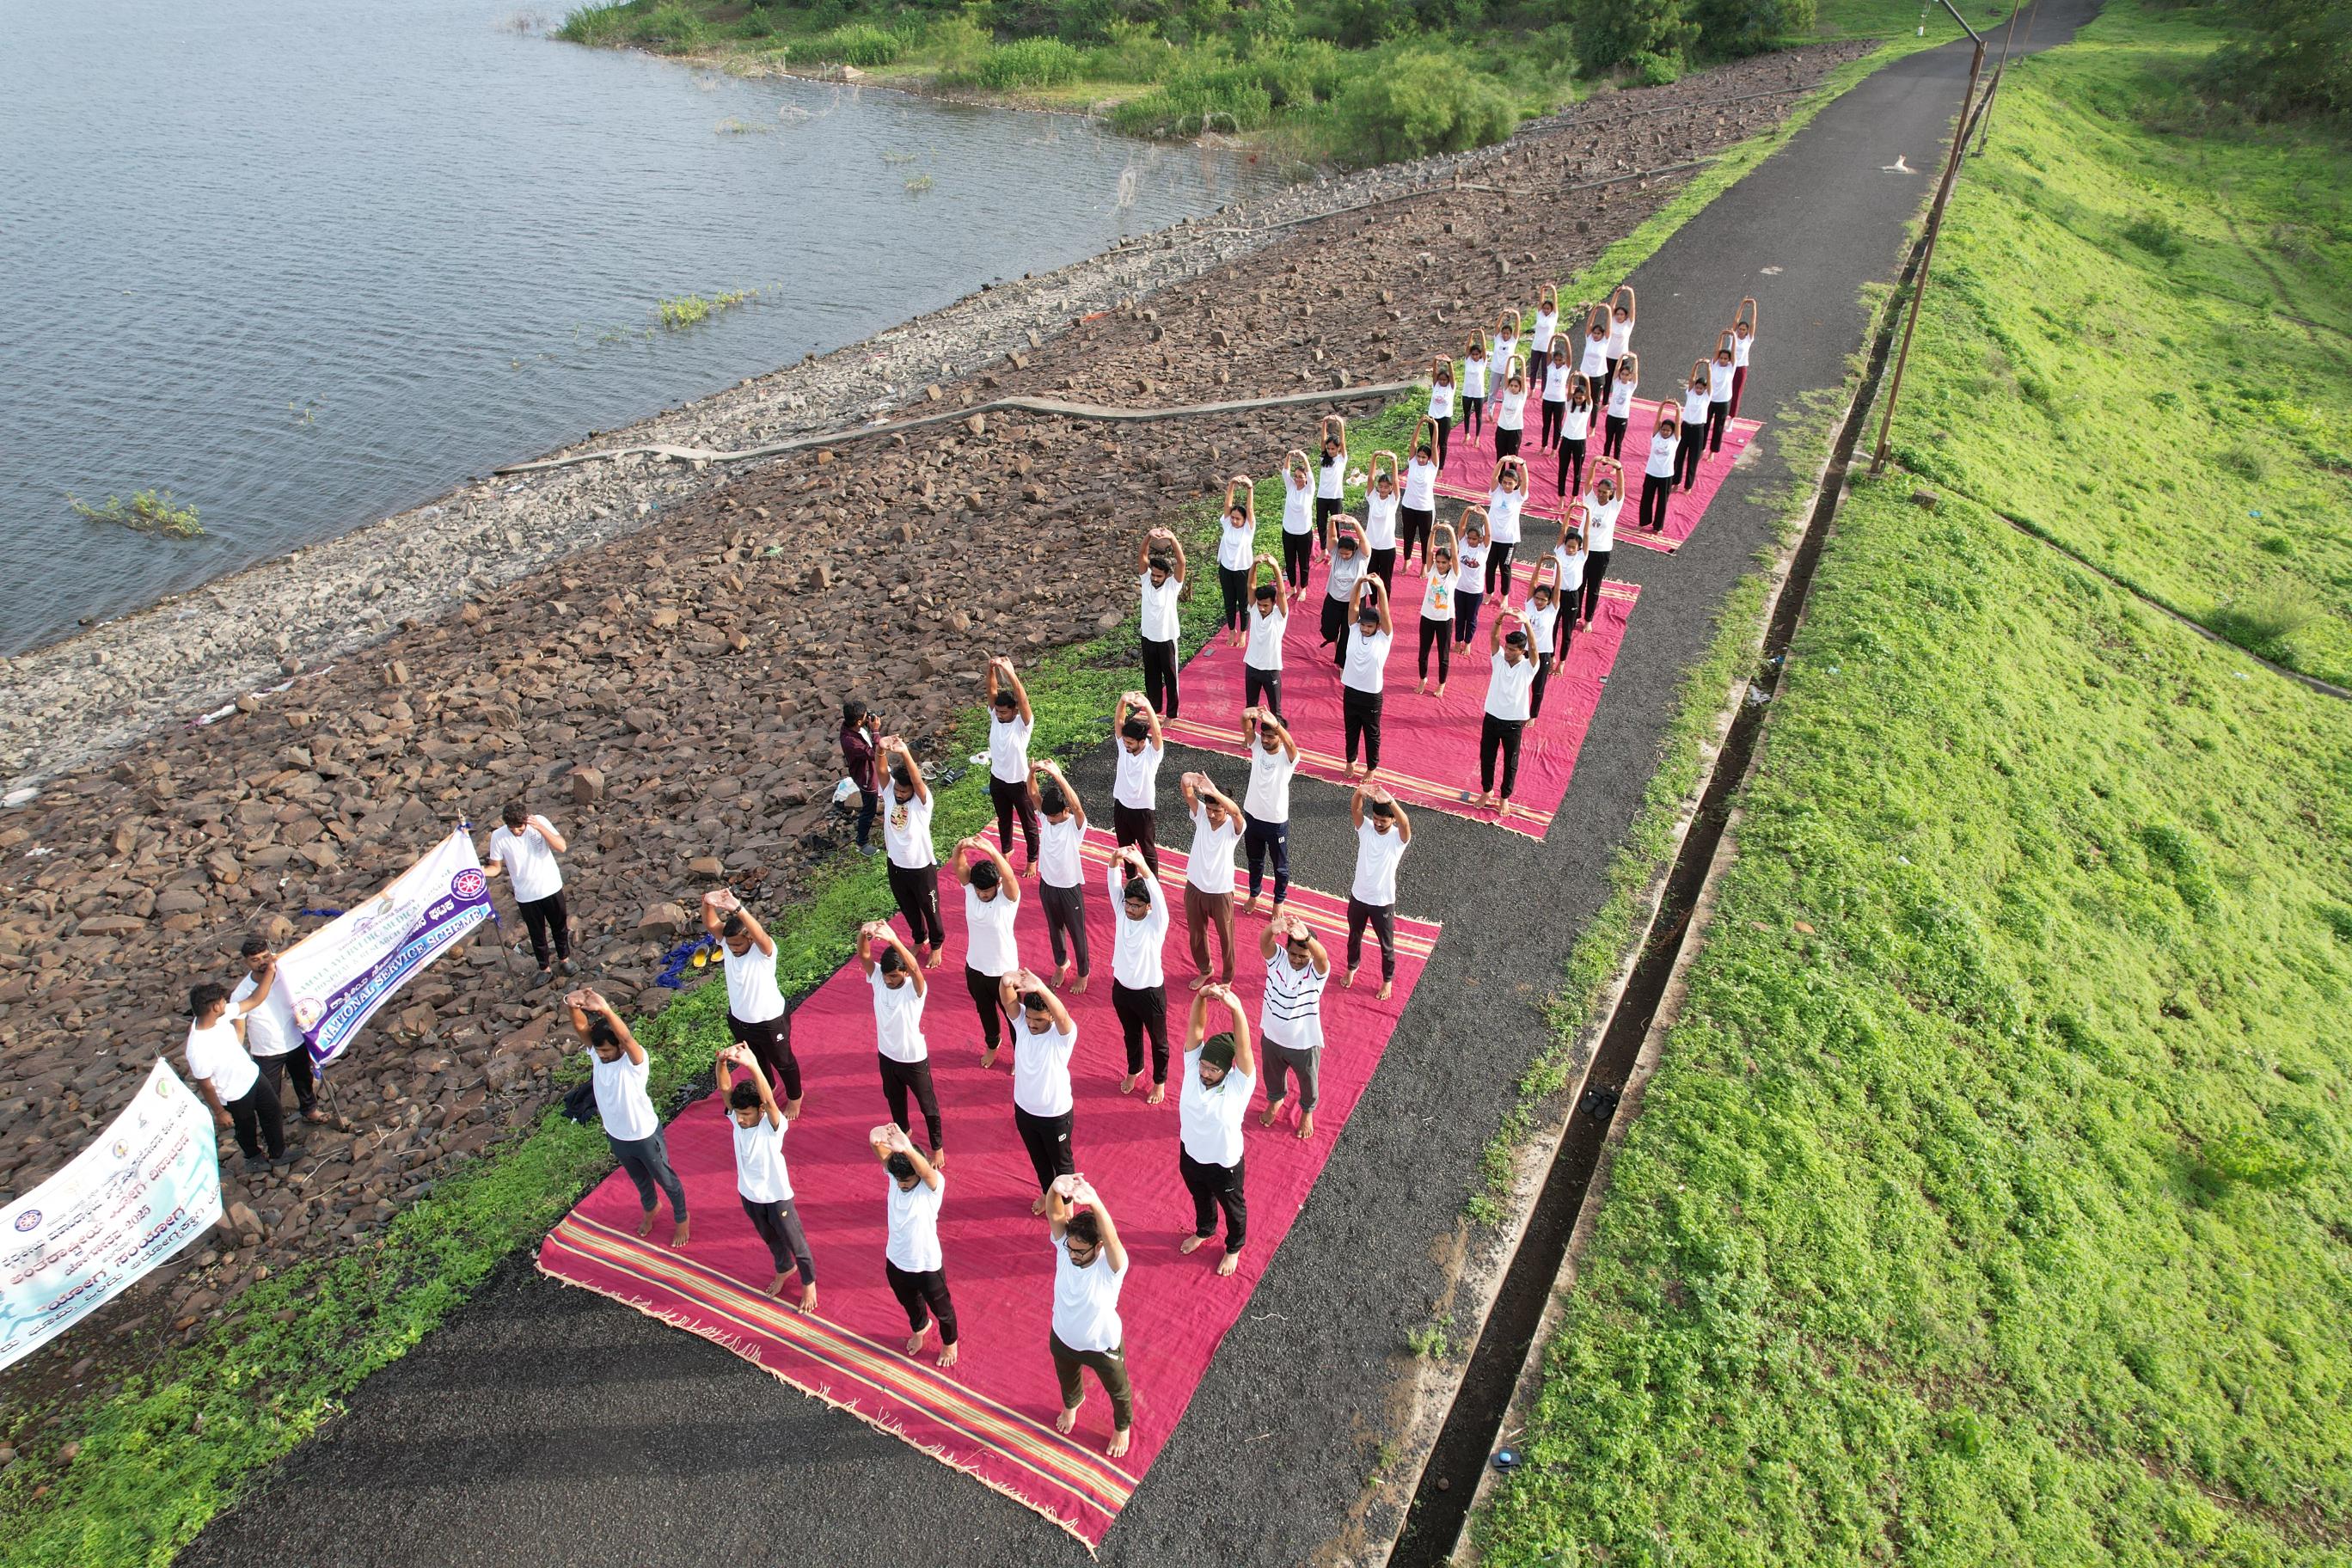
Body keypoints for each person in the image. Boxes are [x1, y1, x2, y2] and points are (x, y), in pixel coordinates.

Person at [568, 986, 688, 1245]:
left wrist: (606, 1010)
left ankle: (682, 1217)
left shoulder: (634, 1063)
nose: (601, 1055)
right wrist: (571, 1003)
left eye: (606, 1051)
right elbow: (581, 1028)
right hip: (617, 1136)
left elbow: (627, 1037)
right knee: (640, 1180)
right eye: (599, 1051)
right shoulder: (598, 1057)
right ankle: (651, 1208)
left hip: (644, 1135)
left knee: (666, 1180)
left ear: (620, 1048)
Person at [716, 1042, 816, 1309]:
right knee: (770, 1238)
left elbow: (769, 1100)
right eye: (738, 1114)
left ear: (760, 1110)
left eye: (746, 1114)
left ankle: (809, 1282)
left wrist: (752, 1065)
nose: (740, 1119)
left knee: (795, 1242)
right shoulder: (736, 1120)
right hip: (749, 1195)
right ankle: (784, 1268)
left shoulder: (772, 1126)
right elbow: (725, 1089)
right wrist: (722, 1062)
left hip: (777, 1197)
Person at [1045, 1175, 1132, 1458]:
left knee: (1118, 1391)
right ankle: (1072, 1405)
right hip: (1062, 1337)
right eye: (1070, 1247)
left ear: (1098, 1246)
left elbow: (1113, 1238)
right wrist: (1054, 1188)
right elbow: (1055, 1214)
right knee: (1067, 1379)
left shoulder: (1111, 1268)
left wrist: (1095, 1202)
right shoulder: (1065, 1250)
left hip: (1102, 1346)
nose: (1072, 1254)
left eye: (1079, 1251)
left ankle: (1122, 1426)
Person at [1177, 984, 1255, 1275]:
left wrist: (1236, 1009)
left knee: (1234, 1208)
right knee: (1200, 1198)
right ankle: (1205, 1229)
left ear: (1227, 1069)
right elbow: (1196, 1029)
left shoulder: (1239, 1085)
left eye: (1213, 1069)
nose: (1205, 1073)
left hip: (1224, 1164)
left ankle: (1234, 1247)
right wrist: (1201, 997)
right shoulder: (1192, 1068)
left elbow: (1244, 1049)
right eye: (1203, 1065)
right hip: (1190, 1154)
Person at [703, 889, 802, 1118]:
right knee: (756, 1061)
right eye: (730, 945)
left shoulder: (764, 952)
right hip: (740, 1021)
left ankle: (795, 1097)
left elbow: (760, 934)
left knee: (783, 1062)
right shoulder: (729, 945)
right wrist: (707, 903)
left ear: (749, 938)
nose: (733, 949)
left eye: (738, 945)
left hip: (770, 1021)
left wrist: (738, 909)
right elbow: (711, 924)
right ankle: (768, 1088)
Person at [993, 967, 1081, 1209]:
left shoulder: (1062, 1037)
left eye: (1039, 1020)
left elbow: (1063, 1017)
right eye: (1030, 1017)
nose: (1031, 1023)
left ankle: (1067, 1203)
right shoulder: (1022, 1023)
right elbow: (1008, 1001)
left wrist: (1041, 987)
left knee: (1062, 1164)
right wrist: (1006, 980)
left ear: (1050, 1017)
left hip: (1055, 1116)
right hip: (1024, 1111)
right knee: (1039, 1160)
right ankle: (1047, 1193)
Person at [868, 1124, 957, 1367]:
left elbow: (926, 1171)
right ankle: (920, 1327)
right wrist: (874, 1140)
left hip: (927, 1265)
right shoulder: (896, 1178)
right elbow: (883, 1157)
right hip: (896, 1261)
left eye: (907, 1181)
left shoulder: (931, 1189)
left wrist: (907, 1149)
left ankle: (950, 1342)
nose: (901, 1185)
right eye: (899, 1180)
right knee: (909, 1303)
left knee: (943, 1310)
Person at [855, 921, 943, 1161]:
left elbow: (915, 968)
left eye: (893, 976)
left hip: (913, 1059)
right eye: (886, 976)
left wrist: (893, 939)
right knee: (895, 1101)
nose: (888, 981)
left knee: (928, 1106)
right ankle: (904, 1135)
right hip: (887, 1057)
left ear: (904, 973)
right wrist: (864, 933)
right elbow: (863, 955)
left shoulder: (915, 990)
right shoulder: (878, 980)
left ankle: (937, 1148)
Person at [184, 980, 289, 1173]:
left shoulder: (221, 1016)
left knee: (272, 1110)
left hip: (253, 1076)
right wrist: (220, 1112)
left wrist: (270, 972)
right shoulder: (197, 1047)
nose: (226, 1002)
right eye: (223, 1001)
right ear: (215, 1007)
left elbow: (254, 1000)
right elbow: (205, 1084)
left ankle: (278, 1153)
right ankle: (253, 1156)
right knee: (245, 1126)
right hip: (232, 1094)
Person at [232, 935, 322, 1126]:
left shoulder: (285, 976)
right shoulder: (241, 993)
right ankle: (273, 1128)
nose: (262, 962)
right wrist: (236, 1057)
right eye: (255, 960)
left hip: (295, 1039)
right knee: (270, 1093)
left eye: (265, 957)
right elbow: (239, 1030)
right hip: (266, 1051)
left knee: (303, 1079)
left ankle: (310, 1110)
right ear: (246, 962)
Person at [1256, 911, 1330, 1141]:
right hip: (1272, 1037)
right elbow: (1264, 943)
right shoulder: (1277, 959)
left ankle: (1307, 1112)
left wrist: (1307, 938)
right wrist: (1273, 929)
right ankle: (1276, 1100)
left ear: (1311, 954)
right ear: (1286, 949)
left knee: (1308, 1082)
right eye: (1293, 953)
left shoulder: (1316, 973)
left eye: (1303, 956)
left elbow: (1323, 958)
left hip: (1303, 1044)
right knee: (1272, 1075)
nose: (1297, 959)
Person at [1106, 844, 1172, 1102]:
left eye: (1136, 905)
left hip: (1150, 993)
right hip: (1122, 990)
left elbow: (1157, 893)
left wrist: (1143, 867)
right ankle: (1134, 1070)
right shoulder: (1121, 913)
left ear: (1148, 907)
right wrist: (1114, 859)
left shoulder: (1157, 923)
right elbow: (1113, 885)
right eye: (1128, 903)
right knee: (1131, 1035)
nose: (1130, 909)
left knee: (1158, 1041)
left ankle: (1159, 1081)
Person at [878, 734, 946, 966]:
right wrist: (880, 749)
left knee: (930, 908)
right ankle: (919, 938)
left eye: (904, 792)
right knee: (907, 907)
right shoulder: (890, 793)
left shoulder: (922, 802)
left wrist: (905, 752)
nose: (899, 794)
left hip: (921, 867)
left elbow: (917, 782)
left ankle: (936, 943)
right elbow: (881, 771)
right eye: (898, 790)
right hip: (896, 865)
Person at [483, 803, 570, 984]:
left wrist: (540, 828)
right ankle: (544, 968)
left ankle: (564, 959)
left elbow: (561, 847)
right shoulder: (498, 836)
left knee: (559, 926)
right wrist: (478, 872)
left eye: (520, 827)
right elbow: (495, 868)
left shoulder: (540, 822)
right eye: (512, 828)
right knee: (537, 934)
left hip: (551, 887)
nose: (516, 831)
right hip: (526, 894)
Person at [952, 835, 1022, 1061]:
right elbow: (960, 865)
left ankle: (1020, 1054)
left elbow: (1009, 876)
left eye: (987, 891)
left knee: (1013, 1016)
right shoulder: (971, 891)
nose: (982, 894)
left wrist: (991, 850)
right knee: (985, 1011)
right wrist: (960, 847)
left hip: (1004, 972)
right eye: (979, 890)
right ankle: (993, 1044)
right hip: (975, 967)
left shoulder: (1007, 899)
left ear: (997, 885)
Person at [1029, 759, 1092, 995]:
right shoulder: (1047, 818)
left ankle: (1083, 971)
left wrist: (1058, 776)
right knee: (1054, 929)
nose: (1050, 820)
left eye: (1055, 816)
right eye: (1048, 816)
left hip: (1069, 888)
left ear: (1065, 811)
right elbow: (1033, 794)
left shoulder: (1075, 825)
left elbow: (1077, 807)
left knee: (1077, 932)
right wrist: (1031, 772)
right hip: (1047, 885)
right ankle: (1061, 963)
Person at [974, 656, 1041, 873]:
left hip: (1019, 782)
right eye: (998, 711)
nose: (1000, 715)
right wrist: (991, 669)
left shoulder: (1023, 725)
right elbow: (991, 691)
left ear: (1014, 711)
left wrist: (1010, 673)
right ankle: (1006, 851)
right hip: (997, 779)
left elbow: (1023, 699)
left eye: (1004, 712)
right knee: (1003, 820)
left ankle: (1032, 859)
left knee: (1028, 823)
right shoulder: (995, 717)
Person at [1178, 770, 1242, 989]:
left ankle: (1227, 978)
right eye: (1210, 809)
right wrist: (1187, 779)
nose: (1212, 814)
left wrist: (1215, 792)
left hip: (1221, 891)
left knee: (1226, 938)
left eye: (1217, 810)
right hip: (1195, 886)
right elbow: (1187, 792)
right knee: (1196, 935)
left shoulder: (1233, 827)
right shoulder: (1202, 816)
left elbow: (1236, 812)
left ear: (1225, 808)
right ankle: (1205, 970)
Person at [1347, 785, 1411, 1001]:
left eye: (1383, 820)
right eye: (1375, 818)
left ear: (1392, 819)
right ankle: (1352, 967)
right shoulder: (1366, 829)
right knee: (1354, 937)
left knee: (1386, 945)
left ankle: (1387, 980)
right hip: (1358, 896)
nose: (1377, 823)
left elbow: (1405, 823)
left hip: (1382, 901)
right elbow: (1356, 810)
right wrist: (1359, 792)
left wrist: (1391, 801)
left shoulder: (1397, 839)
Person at [1476, 608, 1539, 818]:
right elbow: (1493, 638)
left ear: (1522, 651)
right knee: (1487, 757)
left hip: (1513, 723)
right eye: (1507, 648)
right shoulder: (1499, 660)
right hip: (1491, 718)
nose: (1508, 652)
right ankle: (1487, 790)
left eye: (1512, 649)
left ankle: (1504, 797)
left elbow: (1534, 648)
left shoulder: (1529, 667)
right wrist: (1500, 618)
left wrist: (1527, 623)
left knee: (1510, 762)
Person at [1239, 706, 1297, 915]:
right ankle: (1254, 894)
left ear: (1280, 737)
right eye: (1263, 735)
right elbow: (1245, 722)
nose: (1265, 739)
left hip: (1275, 821)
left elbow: (1291, 744)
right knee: (1254, 861)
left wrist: (1276, 725)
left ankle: (1279, 901)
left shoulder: (1287, 757)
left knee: (1280, 866)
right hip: (1252, 816)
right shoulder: (1257, 746)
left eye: (1271, 736)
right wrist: (1251, 713)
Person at [1340, 573, 1394, 782]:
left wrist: (1380, 588)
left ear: (1378, 627)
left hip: (1371, 696)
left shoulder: (1384, 637)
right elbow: (1353, 606)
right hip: (1351, 691)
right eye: (1363, 625)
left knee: (1371, 734)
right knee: (1351, 730)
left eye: (1370, 626)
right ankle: (1350, 760)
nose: (1365, 629)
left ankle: (1372, 767)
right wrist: (1358, 584)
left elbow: (1386, 614)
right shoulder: (1354, 630)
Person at [1110, 690, 1165, 874]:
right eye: (1125, 741)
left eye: (1130, 743)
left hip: (1143, 810)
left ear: (1142, 742)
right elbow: (1119, 721)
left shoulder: (1152, 755)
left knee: (1148, 851)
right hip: (1121, 805)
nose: (1126, 745)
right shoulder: (1123, 747)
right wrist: (1122, 701)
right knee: (1125, 848)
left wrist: (1147, 706)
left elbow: (1157, 732)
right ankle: (1131, 879)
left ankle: (1152, 883)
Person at [1136, 526, 1186, 720]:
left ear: (1166, 576)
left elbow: (1181, 562)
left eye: (1159, 576)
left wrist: (1172, 538)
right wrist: (1149, 535)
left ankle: (1172, 714)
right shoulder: (1146, 581)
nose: (1155, 579)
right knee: (1151, 677)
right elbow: (1142, 554)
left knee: (1171, 678)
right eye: (1154, 575)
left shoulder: (1173, 586)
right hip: (1148, 637)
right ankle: (1155, 709)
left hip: (1167, 639)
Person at [1242, 556, 1289, 718]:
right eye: (1260, 604)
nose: (1261, 608)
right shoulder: (1254, 610)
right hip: (1252, 667)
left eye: (1265, 605)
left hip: (1271, 669)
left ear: (1273, 603)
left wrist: (1275, 566)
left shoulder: (1280, 615)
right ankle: (1250, 733)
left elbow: (1281, 592)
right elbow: (1250, 586)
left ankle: (1276, 733)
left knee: (1276, 711)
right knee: (1251, 707)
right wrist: (1254, 563)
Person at [1579, 465, 1624, 632]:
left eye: (1605, 492)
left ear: (1611, 493)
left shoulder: (1614, 506)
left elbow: (1621, 488)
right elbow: (1588, 482)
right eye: (1599, 491)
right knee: (1579, 584)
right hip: (1583, 549)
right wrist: (1595, 462)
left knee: (1593, 587)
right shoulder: (1590, 501)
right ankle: (1575, 614)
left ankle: (1588, 619)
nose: (1601, 494)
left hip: (1601, 552)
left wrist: (1618, 469)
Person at [1416, 522, 1459, 696]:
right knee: (1423, 652)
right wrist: (1433, 531)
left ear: (1449, 563)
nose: (1440, 565)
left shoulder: (1453, 575)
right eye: (1438, 562)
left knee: (1443, 655)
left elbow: (1455, 554)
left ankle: (1441, 683)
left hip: (1445, 620)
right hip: (1427, 617)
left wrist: (1451, 532)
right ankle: (1423, 678)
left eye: (1444, 563)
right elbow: (1428, 552)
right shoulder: (1432, 570)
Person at [1320, 518, 1368, 667]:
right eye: (1341, 553)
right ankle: (1335, 639)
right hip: (1334, 599)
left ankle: (1342, 664)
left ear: (1354, 551)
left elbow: (1363, 540)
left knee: (1348, 634)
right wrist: (1332, 521)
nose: (1344, 556)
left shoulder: (1361, 556)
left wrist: (1355, 524)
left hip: (1354, 602)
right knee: (1328, 631)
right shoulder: (1335, 553)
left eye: (1347, 554)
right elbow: (1332, 537)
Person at [1215, 477, 1257, 646]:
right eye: (1232, 517)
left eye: (1237, 519)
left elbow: (1250, 508)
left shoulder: (1248, 529)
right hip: (1226, 569)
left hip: (1243, 570)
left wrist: (1250, 488)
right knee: (1229, 602)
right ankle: (1232, 630)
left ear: (1244, 520)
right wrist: (1231, 483)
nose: (1234, 521)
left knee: (1243, 603)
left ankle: (1243, 632)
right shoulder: (1227, 525)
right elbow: (1228, 504)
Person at [840, 700, 882, 854]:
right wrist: (876, 731)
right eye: (865, 716)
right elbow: (875, 754)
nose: (868, 717)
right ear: (858, 722)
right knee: (869, 810)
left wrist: (870, 727)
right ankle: (861, 843)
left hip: (872, 771)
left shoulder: (851, 728)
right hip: (866, 778)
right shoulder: (850, 741)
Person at [1525, 564, 1566, 720]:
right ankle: (1517, 711)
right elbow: (1533, 583)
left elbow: (1557, 589)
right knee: (1520, 684)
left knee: (1538, 687)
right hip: (1525, 651)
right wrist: (1539, 564)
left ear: (1549, 601)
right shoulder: (1529, 604)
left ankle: (1533, 715)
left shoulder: (1552, 610)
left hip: (1542, 653)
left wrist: (1558, 566)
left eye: (1543, 599)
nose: (1539, 601)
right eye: (1537, 598)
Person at [1400, 423, 1440, 574]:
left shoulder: (1432, 467)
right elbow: (1413, 443)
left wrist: (1435, 426)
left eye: (1424, 457)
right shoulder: (1412, 463)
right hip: (1409, 506)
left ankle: (1424, 565)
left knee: (1425, 538)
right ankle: (1407, 561)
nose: (1420, 459)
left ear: (1429, 458)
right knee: (1408, 535)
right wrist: (1419, 424)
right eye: (1419, 456)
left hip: (1425, 508)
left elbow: (1434, 445)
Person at [1486, 456, 1528, 597]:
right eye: (1504, 482)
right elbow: (1494, 477)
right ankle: (1489, 592)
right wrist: (1501, 461)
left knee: (1505, 568)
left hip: (1509, 540)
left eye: (1510, 483)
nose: (1507, 486)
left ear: (1516, 484)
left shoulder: (1518, 496)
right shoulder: (1496, 491)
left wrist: (1523, 464)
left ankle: (1504, 596)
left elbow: (1526, 483)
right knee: (1490, 566)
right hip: (1492, 538)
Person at [1548, 516, 1587, 661]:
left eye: (1573, 547)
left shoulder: (1581, 556)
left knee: (1567, 630)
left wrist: (1588, 512)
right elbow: (1563, 530)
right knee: (1552, 625)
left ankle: (1562, 661)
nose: (1570, 549)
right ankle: (1551, 655)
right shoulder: (1559, 551)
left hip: (1572, 596)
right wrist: (1569, 510)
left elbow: (1586, 534)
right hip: (1556, 593)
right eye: (1568, 546)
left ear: (1579, 548)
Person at [1643, 401, 1684, 533]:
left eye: (1668, 430)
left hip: (1666, 475)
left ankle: (1658, 527)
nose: (1665, 432)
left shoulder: (1674, 440)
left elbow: (1678, 424)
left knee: (1662, 502)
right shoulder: (1656, 437)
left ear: (1672, 432)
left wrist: (1678, 408)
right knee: (1646, 499)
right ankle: (1643, 522)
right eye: (1663, 429)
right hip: (1651, 472)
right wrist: (1662, 406)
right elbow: (1658, 420)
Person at [1453, 508, 1491, 648]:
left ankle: (1468, 642)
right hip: (1460, 588)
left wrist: (1485, 515)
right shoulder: (1463, 543)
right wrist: (1467, 511)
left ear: (1480, 539)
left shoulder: (1483, 549)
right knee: (1459, 617)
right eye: (1469, 538)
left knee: (1471, 618)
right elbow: (1461, 527)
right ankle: (1458, 641)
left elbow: (1488, 534)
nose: (1470, 541)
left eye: (1474, 539)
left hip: (1475, 591)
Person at [1363, 450, 1400, 591]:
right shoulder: (1372, 497)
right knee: (1371, 579)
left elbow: (1396, 481)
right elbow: (1370, 479)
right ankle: (1372, 602)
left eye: (1386, 487)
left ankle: (1384, 603)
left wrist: (1394, 460)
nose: (1383, 489)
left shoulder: (1393, 500)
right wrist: (1374, 456)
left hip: (1387, 547)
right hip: (1371, 546)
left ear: (1391, 488)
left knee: (1385, 580)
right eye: (1381, 486)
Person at [1278, 450, 1315, 591]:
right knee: (1290, 562)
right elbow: (1285, 472)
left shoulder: (1309, 489)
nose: (1297, 479)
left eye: (1300, 477)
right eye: (1296, 476)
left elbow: (1310, 473)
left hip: (1304, 532)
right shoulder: (1291, 487)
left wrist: (1304, 457)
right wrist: (1288, 456)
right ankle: (1293, 586)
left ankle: (1303, 588)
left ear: (1305, 479)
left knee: (1304, 563)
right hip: (1288, 531)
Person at [1556, 373, 1596, 501]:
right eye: (1576, 397)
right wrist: (1572, 378)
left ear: (1584, 398)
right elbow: (1569, 393)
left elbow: (1589, 394)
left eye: (1580, 398)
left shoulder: (1587, 408)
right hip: (1566, 440)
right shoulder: (1570, 406)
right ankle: (1561, 496)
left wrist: (1586, 379)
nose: (1578, 400)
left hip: (1579, 441)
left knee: (1577, 471)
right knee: (1563, 469)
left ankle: (1574, 496)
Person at [1314, 416, 1347, 559]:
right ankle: (1323, 550)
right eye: (1328, 448)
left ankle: (1337, 552)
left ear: (1338, 448)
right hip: (1322, 496)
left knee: (1336, 525)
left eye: (1333, 448)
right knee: (1321, 524)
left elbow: (1343, 441)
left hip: (1336, 497)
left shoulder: (1341, 459)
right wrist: (1324, 423)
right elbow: (1323, 440)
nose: (1330, 451)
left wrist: (1340, 423)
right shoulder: (1324, 459)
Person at [1676, 361, 1712, 493]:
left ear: (1705, 389)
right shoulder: (1691, 393)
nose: (1698, 390)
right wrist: (1696, 365)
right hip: (1685, 427)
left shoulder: (1707, 397)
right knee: (1679, 456)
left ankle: (1688, 486)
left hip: (1698, 430)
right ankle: (1676, 482)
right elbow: (1691, 378)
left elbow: (1710, 380)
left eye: (1701, 388)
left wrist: (1708, 367)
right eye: (1697, 387)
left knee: (1693, 459)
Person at [1602, 285, 1637, 407]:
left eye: (1622, 314)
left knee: (1622, 381)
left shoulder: (1628, 324)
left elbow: (1632, 309)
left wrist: (1630, 292)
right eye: (1617, 314)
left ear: (1625, 316)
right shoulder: (1612, 321)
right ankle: (1605, 402)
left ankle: (1619, 401)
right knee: (1608, 381)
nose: (1619, 316)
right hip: (1609, 356)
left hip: (1623, 357)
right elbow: (1611, 307)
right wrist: (1617, 293)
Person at [1602, 351, 1639, 460]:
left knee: (1618, 443)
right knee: (1608, 441)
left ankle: (1616, 465)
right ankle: (1605, 462)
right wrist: (1622, 357)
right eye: (1622, 374)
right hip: (1611, 416)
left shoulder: (1631, 386)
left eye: (1627, 375)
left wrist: (1635, 359)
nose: (1624, 376)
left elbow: (1636, 373)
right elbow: (1616, 369)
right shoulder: (1616, 382)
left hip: (1622, 417)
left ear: (1630, 376)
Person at [1538, 334, 1572, 450]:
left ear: (1563, 360)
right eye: (1556, 360)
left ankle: (1554, 448)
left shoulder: (1566, 368)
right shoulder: (1550, 366)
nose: (1557, 362)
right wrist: (1552, 339)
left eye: (1560, 360)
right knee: (1546, 424)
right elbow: (1548, 353)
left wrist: (1566, 339)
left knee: (1557, 425)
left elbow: (1569, 355)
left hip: (1559, 401)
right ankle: (1544, 445)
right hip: (1547, 399)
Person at [1492, 359, 1529, 462]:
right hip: (1501, 428)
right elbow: (1506, 375)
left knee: (1513, 459)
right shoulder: (1507, 392)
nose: (1513, 388)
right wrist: (1509, 360)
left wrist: (1522, 361)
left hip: (1515, 430)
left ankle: (1512, 474)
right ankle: (1501, 474)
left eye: (1516, 386)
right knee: (1501, 457)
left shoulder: (1522, 396)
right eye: (1511, 385)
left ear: (1520, 387)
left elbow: (1523, 378)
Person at [1707, 333, 1736, 455]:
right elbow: (1717, 350)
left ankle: (1713, 451)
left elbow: (1733, 352)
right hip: (1710, 400)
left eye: (1725, 359)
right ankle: (1702, 448)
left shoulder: (1731, 367)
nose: (1723, 360)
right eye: (1721, 358)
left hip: (1723, 401)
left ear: (1729, 360)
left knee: (1718, 427)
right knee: (1705, 424)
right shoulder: (1714, 365)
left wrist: (1734, 337)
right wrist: (1721, 336)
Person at [1730, 297, 1759, 420]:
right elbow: (1736, 319)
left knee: (1736, 393)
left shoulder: (1748, 339)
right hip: (1729, 367)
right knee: (1721, 391)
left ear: (1747, 331)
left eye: (1743, 329)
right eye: (1740, 329)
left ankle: (1731, 419)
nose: (1741, 331)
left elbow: (1753, 323)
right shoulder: (1733, 336)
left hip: (1741, 368)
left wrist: (1754, 307)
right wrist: (1742, 305)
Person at [1425, 357, 1456, 469]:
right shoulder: (1436, 386)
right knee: (1434, 443)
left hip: (1445, 419)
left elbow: (1452, 376)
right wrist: (1435, 361)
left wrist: (1449, 363)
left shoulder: (1451, 388)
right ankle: (1432, 463)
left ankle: (1441, 468)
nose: (1442, 382)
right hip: (1433, 418)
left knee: (1443, 444)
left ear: (1448, 380)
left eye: (1444, 380)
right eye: (1440, 380)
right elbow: (1434, 373)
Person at [1461, 335, 1491, 445]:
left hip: (1478, 393)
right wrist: (1471, 334)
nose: (1474, 356)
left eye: (1477, 354)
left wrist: (1482, 333)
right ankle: (1467, 434)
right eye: (1473, 354)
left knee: (1478, 416)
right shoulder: (1468, 361)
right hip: (1467, 392)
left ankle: (1477, 438)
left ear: (1480, 354)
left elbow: (1484, 346)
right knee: (1467, 414)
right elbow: (1468, 347)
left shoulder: (1483, 362)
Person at [1529, 285, 1560, 388]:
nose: (1546, 310)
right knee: (1533, 369)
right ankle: (1532, 388)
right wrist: (1542, 289)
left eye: (1548, 309)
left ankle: (1543, 390)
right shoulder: (1540, 314)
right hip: (1536, 346)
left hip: (1547, 348)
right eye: (1544, 308)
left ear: (1551, 309)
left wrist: (1553, 289)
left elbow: (1555, 302)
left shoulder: (1553, 316)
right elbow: (1541, 301)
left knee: (1545, 370)